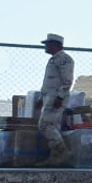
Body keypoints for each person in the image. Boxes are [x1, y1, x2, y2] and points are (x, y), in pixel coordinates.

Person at [33, 33, 75, 167]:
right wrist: (41, 98)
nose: (45, 47)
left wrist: (60, 97)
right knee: (53, 126)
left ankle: (62, 152)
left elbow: (67, 80)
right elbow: (49, 81)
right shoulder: (54, 59)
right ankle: (56, 157)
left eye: (48, 44)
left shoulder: (64, 59)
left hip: (56, 97)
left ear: (56, 44)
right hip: (50, 96)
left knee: (45, 124)